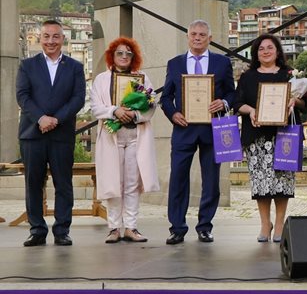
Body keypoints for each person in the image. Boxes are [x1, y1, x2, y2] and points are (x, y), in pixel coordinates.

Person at [160, 19, 236, 245]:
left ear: (210, 38)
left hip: (214, 130)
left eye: (202, 34)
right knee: (178, 180)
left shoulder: (222, 63)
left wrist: (223, 102)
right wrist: (173, 114)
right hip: (183, 129)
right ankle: (177, 228)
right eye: (193, 34)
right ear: (187, 36)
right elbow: (165, 97)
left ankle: (205, 226)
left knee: (211, 181)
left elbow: (232, 94)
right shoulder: (174, 63)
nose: (197, 38)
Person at [16, 19, 86, 247]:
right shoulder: (27, 65)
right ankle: (37, 230)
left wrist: (56, 119)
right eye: (47, 36)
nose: (51, 41)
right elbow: (23, 96)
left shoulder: (75, 67)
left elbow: (78, 99)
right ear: (40, 38)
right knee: (33, 183)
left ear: (63, 39)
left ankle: (62, 230)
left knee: (63, 184)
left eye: (56, 36)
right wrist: (41, 118)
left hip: (61, 134)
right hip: (32, 134)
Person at [234, 34, 307, 243]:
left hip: (283, 137)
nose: (266, 51)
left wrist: (295, 99)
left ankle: (280, 223)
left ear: (277, 51)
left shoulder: (289, 75)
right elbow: (237, 103)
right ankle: (265, 224)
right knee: (261, 184)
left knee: (282, 183)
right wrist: (251, 111)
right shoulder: (247, 77)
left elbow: (306, 103)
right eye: (261, 49)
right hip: (256, 136)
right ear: (256, 53)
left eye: (270, 47)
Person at [90, 37, 160, 244]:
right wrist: (115, 111)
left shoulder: (142, 78)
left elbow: (151, 105)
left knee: (131, 183)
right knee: (113, 182)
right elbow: (95, 108)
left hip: (135, 135)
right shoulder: (102, 79)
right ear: (112, 56)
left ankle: (130, 226)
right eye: (119, 53)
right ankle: (113, 228)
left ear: (133, 57)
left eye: (128, 53)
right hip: (112, 136)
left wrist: (135, 115)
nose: (124, 57)